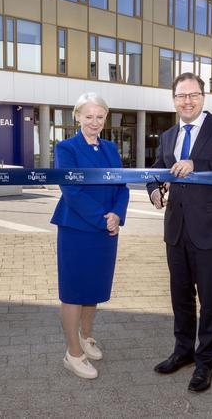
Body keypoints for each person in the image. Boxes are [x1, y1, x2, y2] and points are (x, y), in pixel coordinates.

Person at [146, 72, 212, 392]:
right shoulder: (167, 135)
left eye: (193, 95)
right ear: (173, 100)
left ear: (204, 97)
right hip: (176, 229)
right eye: (181, 96)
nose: (187, 101)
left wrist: (197, 164)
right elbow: (158, 170)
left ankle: (205, 363)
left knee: (211, 299)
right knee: (181, 297)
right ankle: (183, 352)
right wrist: (154, 191)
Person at [50, 92, 129, 379]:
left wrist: (117, 215)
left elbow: (123, 185)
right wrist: (102, 218)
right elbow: (71, 191)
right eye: (89, 116)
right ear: (78, 117)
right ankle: (73, 353)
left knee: (93, 288)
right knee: (74, 291)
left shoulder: (110, 148)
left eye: (100, 116)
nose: (94, 121)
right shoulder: (66, 148)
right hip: (77, 229)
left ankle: (86, 336)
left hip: (107, 228)